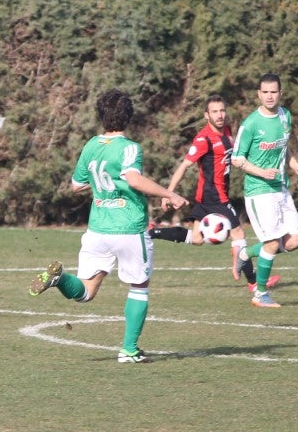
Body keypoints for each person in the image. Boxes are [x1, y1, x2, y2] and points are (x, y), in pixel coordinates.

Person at [28, 89, 188, 363]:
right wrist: (169, 194)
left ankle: (60, 279)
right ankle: (129, 350)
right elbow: (134, 180)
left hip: (98, 229)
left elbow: (77, 185)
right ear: (129, 117)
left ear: (101, 117)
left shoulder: (91, 145)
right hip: (129, 227)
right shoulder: (129, 147)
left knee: (86, 291)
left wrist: (106, 181)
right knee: (139, 286)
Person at [151, 93, 279, 294]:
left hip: (209, 195)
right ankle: (253, 281)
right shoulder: (203, 139)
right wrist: (168, 193)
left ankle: (152, 231)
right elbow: (184, 165)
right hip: (214, 195)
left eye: (222, 110)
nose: (219, 115)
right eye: (214, 112)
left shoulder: (227, 130)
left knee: (197, 239)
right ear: (206, 115)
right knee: (238, 233)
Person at [231, 73, 298, 309]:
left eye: (273, 92)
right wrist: (261, 172)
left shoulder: (286, 116)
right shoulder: (251, 124)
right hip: (259, 190)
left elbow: (285, 148)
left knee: (294, 241)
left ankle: (245, 254)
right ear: (258, 94)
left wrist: (296, 167)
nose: (269, 96)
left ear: (280, 93)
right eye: (265, 92)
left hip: (281, 189)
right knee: (273, 244)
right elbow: (237, 159)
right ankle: (260, 294)